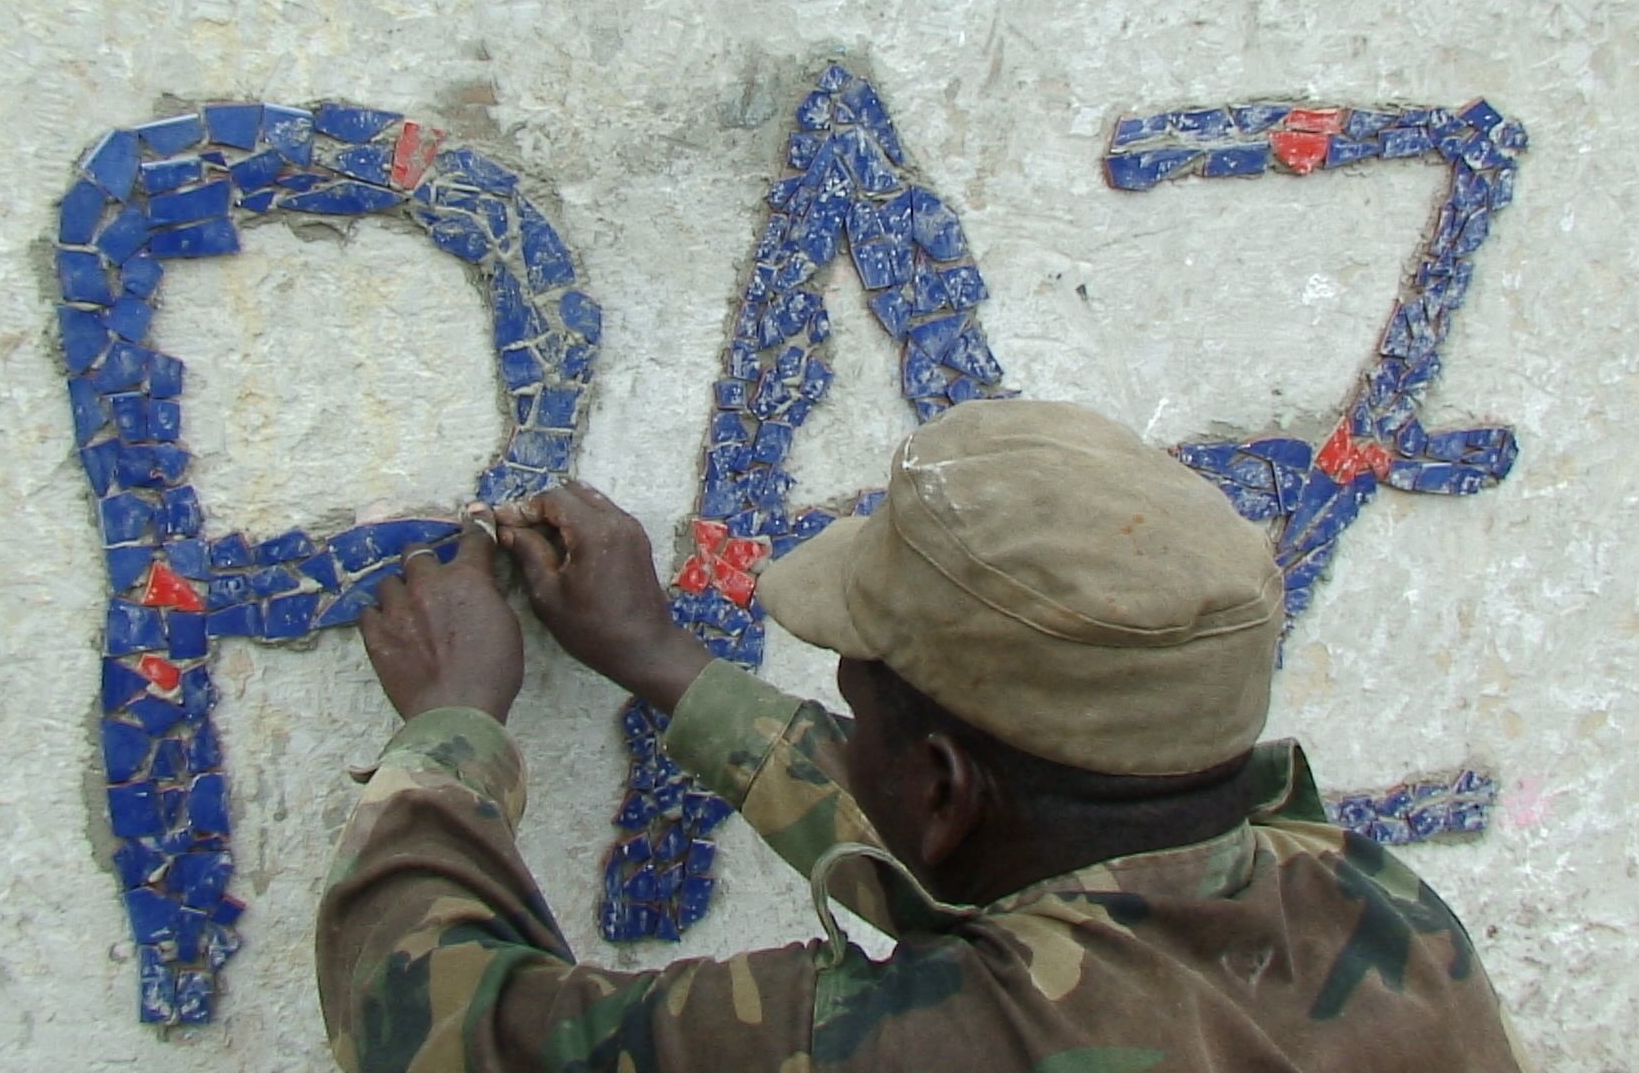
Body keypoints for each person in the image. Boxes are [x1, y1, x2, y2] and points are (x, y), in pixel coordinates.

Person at [316, 399, 1534, 1072]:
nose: (848, 728)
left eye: (861, 704)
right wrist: (667, 668)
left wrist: (455, 726)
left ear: (945, 792)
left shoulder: (910, 1046)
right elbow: (1044, 872)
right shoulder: (1384, 911)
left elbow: (435, 1029)